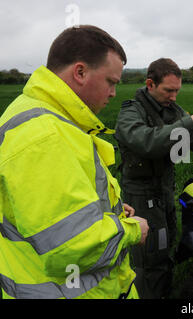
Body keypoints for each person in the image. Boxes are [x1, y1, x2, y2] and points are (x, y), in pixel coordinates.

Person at [0, 25, 149, 299]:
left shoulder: (48, 117)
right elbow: (70, 245)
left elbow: (56, 209)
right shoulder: (44, 135)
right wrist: (130, 230)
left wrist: (109, 212)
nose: (114, 92)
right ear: (80, 72)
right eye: (111, 82)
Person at [114, 58, 193, 298]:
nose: (174, 96)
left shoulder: (173, 110)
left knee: (167, 244)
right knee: (148, 256)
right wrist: (190, 122)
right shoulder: (131, 111)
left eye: (177, 91)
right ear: (150, 84)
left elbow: (191, 141)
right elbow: (146, 142)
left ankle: (163, 290)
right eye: (169, 90)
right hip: (141, 196)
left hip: (164, 191)